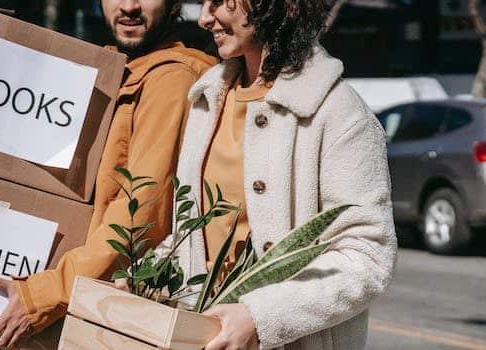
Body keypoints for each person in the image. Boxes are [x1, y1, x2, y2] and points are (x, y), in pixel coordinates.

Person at [159, 0, 397, 349]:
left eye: (217, 2)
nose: (206, 18)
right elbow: (193, 236)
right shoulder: (206, 101)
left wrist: (259, 316)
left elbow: (366, 256)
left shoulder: (340, 114)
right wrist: (147, 276)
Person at [0, 1, 217, 348]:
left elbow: (139, 216)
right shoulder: (110, 68)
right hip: (67, 292)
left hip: (101, 309)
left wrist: (44, 294)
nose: (129, 6)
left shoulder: (172, 77)